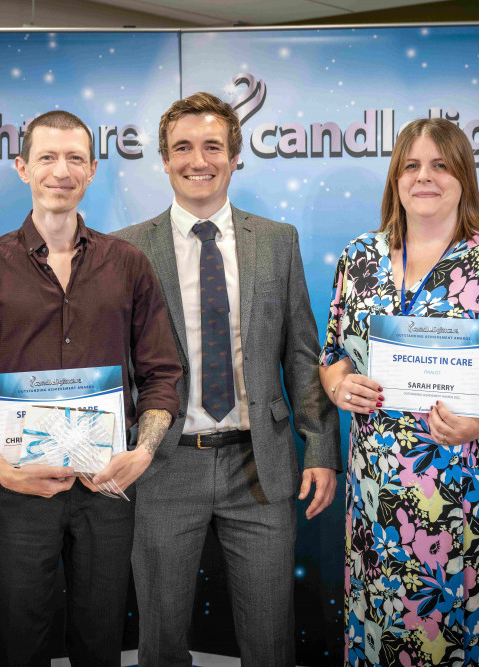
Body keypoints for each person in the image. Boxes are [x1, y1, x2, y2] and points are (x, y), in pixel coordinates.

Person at [0, 109, 182, 667]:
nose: (60, 171)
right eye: (46, 157)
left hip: (108, 485)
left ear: (92, 169)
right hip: (18, 488)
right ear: (22, 168)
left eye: (74, 159)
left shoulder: (130, 266)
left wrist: (143, 452)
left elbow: (163, 372)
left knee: (100, 643)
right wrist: (4, 470)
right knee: (21, 645)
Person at [319, 117, 479, 667]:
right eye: (411, 165)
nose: (424, 176)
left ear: (464, 175)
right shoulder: (359, 258)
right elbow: (333, 356)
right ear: (395, 178)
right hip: (380, 498)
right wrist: (341, 387)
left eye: (439, 164)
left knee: (474, 636)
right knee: (385, 632)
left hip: (477, 493)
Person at [112, 92, 343, 667]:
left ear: (235, 156)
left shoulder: (277, 240)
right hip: (164, 464)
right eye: (182, 148)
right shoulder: (125, 250)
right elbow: (115, 362)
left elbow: (301, 353)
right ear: (164, 160)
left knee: (270, 641)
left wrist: (320, 447)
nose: (199, 160)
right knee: (160, 642)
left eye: (213, 146)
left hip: (259, 465)